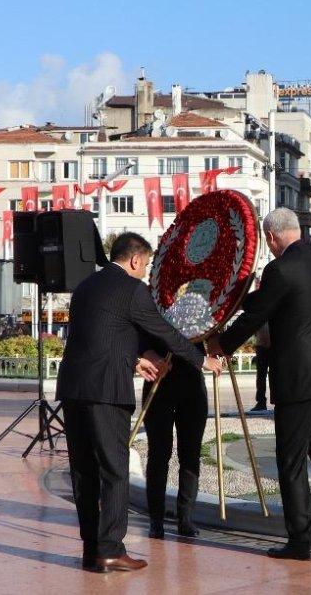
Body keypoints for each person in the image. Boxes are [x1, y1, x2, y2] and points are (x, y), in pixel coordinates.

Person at [56, 232, 223, 574]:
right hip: (106, 393)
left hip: (73, 389)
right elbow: (164, 331)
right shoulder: (133, 290)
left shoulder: (86, 287)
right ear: (135, 260)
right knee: (115, 470)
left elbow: (100, 336)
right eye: (145, 264)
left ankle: (92, 548)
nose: (146, 271)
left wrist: (134, 359)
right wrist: (200, 360)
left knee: (83, 471)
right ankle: (112, 550)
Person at [207, 207, 311, 561]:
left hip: (299, 378)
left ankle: (302, 541)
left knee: (290, 459)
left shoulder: (279, 269)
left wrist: (220, 346)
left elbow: (257, 314)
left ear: (271, 237)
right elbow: (276, 300)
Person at [139, 342, 207, 541]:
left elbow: (211, 330)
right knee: (159, 454)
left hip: (192, 381)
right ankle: (156, 519)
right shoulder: (151, 309)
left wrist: (220, 344)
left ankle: (185, 518)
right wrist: (147, 351)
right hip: (160, 378)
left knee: (191, 454)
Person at [252, 322, 271, 412]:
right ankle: (261, 402)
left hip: (274, 346)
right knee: (260, 376)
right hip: (261, 346)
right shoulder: (261, 311)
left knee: (275, 376)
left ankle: (278, 401)